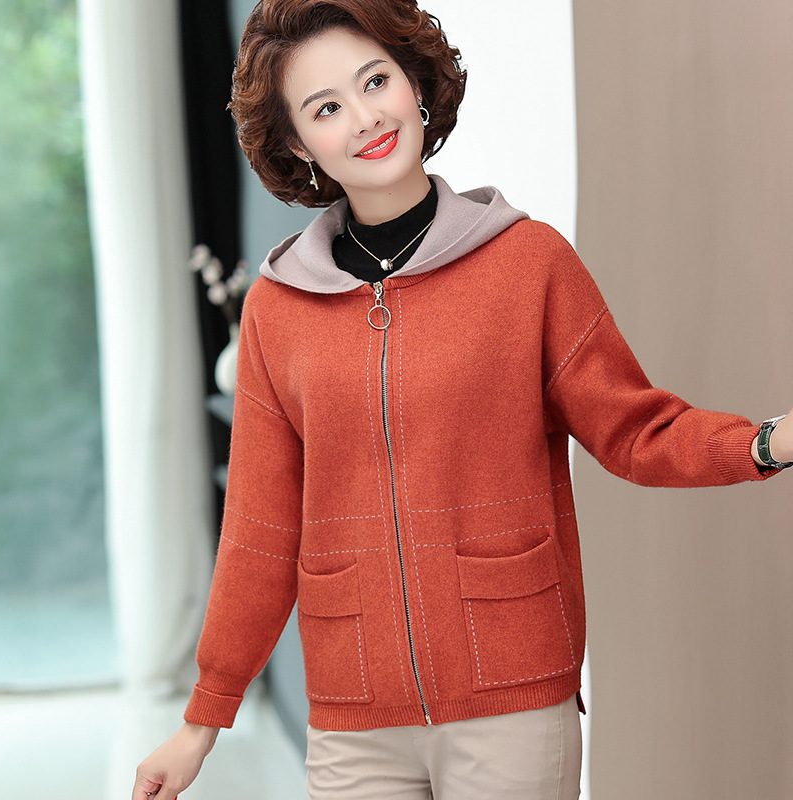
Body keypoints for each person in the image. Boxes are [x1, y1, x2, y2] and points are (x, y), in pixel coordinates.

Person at [132, 1, 792, 798]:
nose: (365, 118)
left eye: (375, 81)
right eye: (326, 108)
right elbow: (260, 531)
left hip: (512, 695)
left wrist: (765, 442)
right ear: (299, 144)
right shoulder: (279, 309)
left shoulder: (528, 263)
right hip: (354, 715)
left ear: (414, 83)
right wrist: (202, 721)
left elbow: (635, 430)